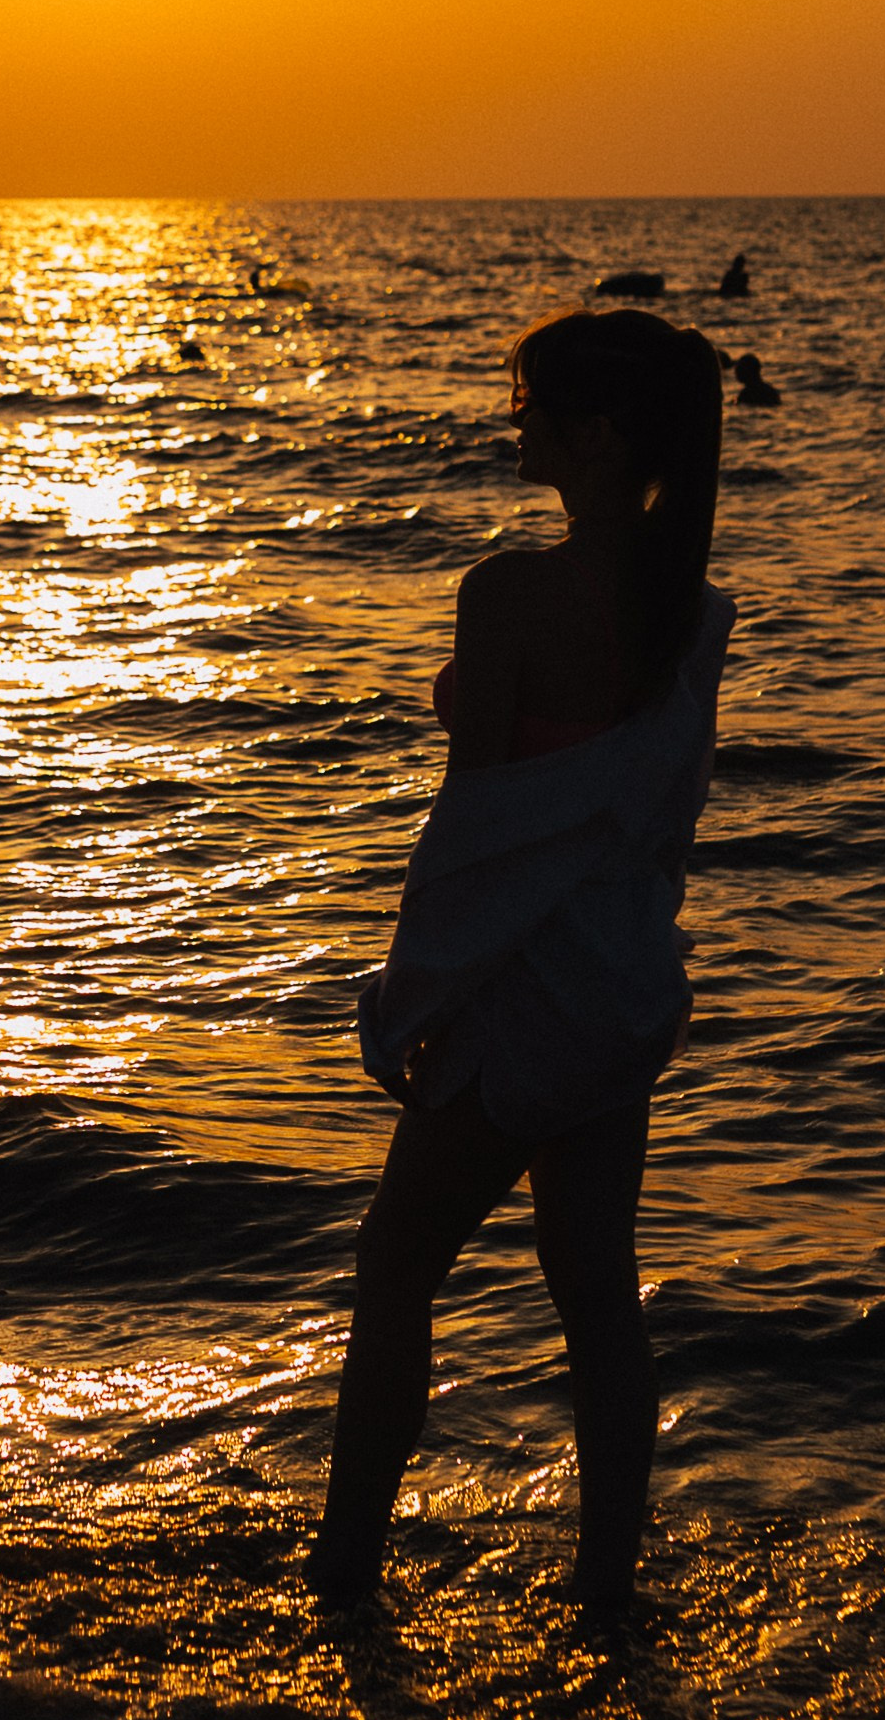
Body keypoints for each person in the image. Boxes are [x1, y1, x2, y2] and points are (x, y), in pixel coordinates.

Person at [309, 308, 730, 1616]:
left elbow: (476, 839)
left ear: (596, 436)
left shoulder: (508, 596)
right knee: (597, 1294)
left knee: (393, 1268)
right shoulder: (688, 615)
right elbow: (645, 828)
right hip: (615, 993)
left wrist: (412, 1004)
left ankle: (344, 1580)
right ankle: (609, 1597)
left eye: (532, 399)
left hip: (516, 1000)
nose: (514, 416)